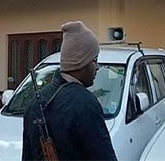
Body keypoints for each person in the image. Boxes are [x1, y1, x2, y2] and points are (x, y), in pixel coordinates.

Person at [22, 20, 118, 161]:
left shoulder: (34, 104)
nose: (97, 67)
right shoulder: (85, 103)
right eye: (94, 60)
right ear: (81, 62)